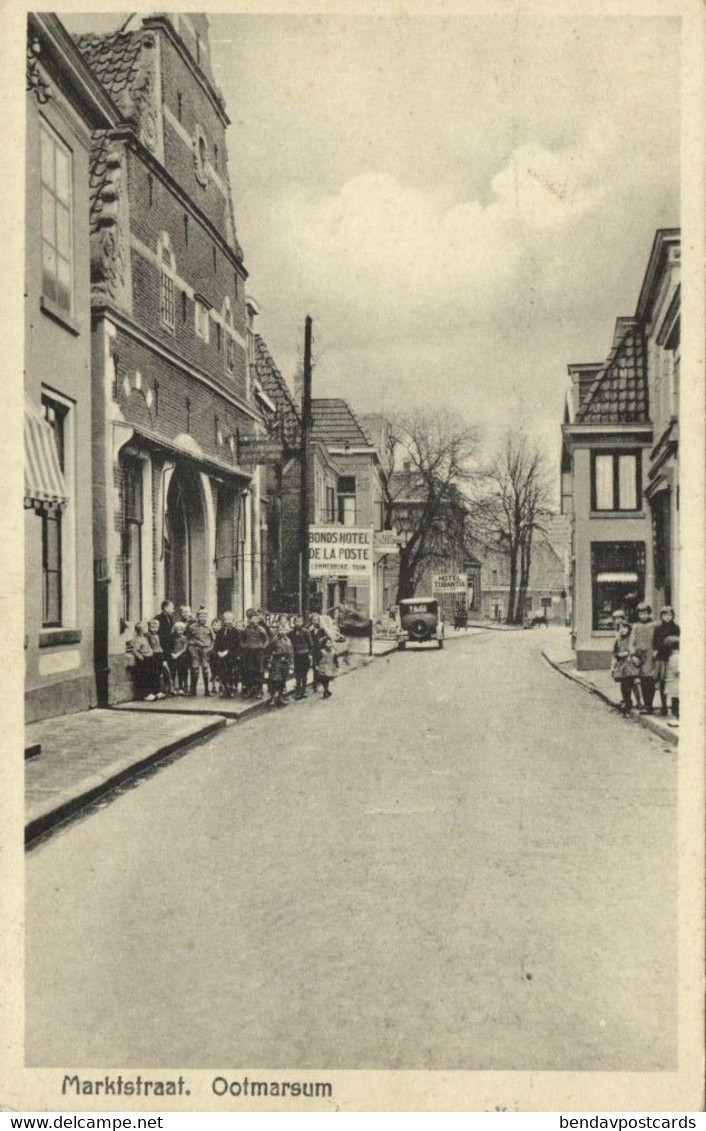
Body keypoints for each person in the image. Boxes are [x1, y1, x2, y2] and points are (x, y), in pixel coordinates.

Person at [653, 606, 680, 726]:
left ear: (673, 616)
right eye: (665, 615)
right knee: (662, 681)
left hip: (672, 656)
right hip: (662, 657)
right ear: (661, 616)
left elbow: (678, 642)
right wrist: (659, 649)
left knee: (672, 682)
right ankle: (664, 705)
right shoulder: (658, 628)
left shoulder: (676, 628)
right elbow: (655, 641)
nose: (667, 617)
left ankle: (674, 707)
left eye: (669, 615)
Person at [631, 602, 658, 715]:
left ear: (649, 613)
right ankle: (646, 704)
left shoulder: (654, 625)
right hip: (639, 656)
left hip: (650, 656)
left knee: (650, 681)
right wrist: (633, 655)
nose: (643, 615)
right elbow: (631, 642)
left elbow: (658, 640)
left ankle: (649, 705)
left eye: (645, 613)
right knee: (642, 681)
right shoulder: (636, 626)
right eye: (641, 613)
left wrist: (656, 651)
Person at [611, 620, 640, 715]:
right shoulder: (618, 640)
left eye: (625, 628)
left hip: (630, 664)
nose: (623, 630)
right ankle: (626, 701)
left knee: (630, 684)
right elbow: (615, 653)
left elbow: (636, 650)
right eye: (620, 628)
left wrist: (629, 654)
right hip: (622, 665)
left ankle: (632, 703)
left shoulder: (632, 639)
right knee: (623, 685)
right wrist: (619, 655)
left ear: (629, 628)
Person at [240, 607, 269, 699]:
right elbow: (241, 640)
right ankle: (249, 689)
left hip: (258, 653)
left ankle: (259, 690)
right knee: (249, 670)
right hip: (248, 653)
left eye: (256, 618)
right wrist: (244, 646)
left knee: (259, 671)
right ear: (249, 619)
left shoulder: (261, 629)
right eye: (253, 618)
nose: (256, 620)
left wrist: (262, 647)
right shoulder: (245, 629)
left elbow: (267, 640)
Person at [186, 608, 214, 696]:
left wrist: (210, 648)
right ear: (197, 617)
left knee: (206, 669)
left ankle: (207, 690)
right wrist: (191, 648)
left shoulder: (209, 628)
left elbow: (213, 640)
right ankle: (193, 689)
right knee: (195, 669)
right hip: (195, 649)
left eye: (205, 616)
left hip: (205, 650)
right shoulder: (192, 627)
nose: (203, 618)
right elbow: (187, 639)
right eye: (201, 616)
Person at [268, 619, 294, 708]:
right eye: (281, 629)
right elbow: (269, 651)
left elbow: (291, 652)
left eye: (285, 629)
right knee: (275, 681)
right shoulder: (274, 640)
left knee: (283, 681)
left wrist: (291, 663)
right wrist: (271, 661)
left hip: (285, 662)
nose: (283, 631)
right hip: (277, 662)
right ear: (277, 630)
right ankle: (272, 698)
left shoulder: (288, 640)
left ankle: (280, 696)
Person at [215, 611, 240, 697]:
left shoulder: (235, 632)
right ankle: (224, 688)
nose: (227, 622)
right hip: (221, 655)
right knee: (222, 672)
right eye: (225, 619)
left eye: (229, 619)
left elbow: (234, 644)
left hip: (231, 655)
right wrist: (218, 652)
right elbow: (217, 643)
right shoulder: (220, 631)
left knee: (230, 672)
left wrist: (227, 652)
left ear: (233, 620)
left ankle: (230, 689)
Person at [146, 618, 173, 698]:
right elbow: (148, 646)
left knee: (160, 673)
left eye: (156, 627)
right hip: (153, 655)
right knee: (153, 673)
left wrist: (163, 657)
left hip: (159, 655)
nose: (154, 629)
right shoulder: (147, 635)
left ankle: (161, 691)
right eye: (152, 627)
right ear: (149, 627)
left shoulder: (157, 635)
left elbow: (159, 646)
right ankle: (154, 691)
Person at [130, 622, 156, 701]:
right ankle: (145, 695)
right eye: (145, 628)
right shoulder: (139, 640)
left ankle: (149, 693)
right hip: (145, 660)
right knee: (144, 677)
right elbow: (135, 650)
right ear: (141, 630)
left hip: (149, 658)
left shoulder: (144, 638)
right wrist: (140, 657)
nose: (147, 629)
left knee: (150, 676)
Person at [289, 614, 312, 699]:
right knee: (297, 674)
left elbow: (310, 644)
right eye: (296, 621)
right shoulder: (291, 632)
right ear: (294, 622)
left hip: (304, 655)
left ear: (302, 622)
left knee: (304, 673)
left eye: (300, 621)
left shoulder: (306, 631)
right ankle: (298, 691)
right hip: (296, 655)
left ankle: (304, 690)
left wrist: (309, 654)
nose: (298, 623)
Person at [309, 612, 331, 692]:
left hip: (322, 650)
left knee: (323, 669)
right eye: (313, 619)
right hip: (314, 651)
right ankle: (315, 685)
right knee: (315, 668)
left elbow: (329, 637)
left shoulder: (322, 629)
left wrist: (324, 646)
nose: (315, 621)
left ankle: (326, 688)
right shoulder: (310, 629)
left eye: (316, 619)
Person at [170, 621, 189, 695]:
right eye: (178, 630)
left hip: (181, 657)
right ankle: (173, 688)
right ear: (175, 629)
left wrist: (177, 655)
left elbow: (184, 648)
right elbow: (169, 646)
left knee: (181, 672)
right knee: (173, 672)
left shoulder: (184, 638)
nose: (180, 631)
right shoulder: (172, 637)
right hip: (173, 657)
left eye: (182, 630)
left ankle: (181, 688)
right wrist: (172, 654)